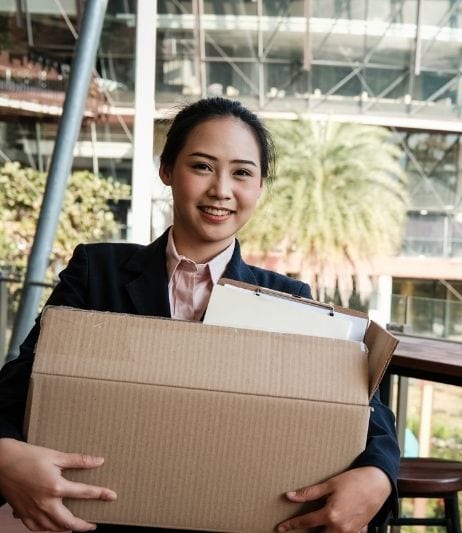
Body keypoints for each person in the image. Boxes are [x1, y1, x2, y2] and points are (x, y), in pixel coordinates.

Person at [0, 97, 400, 532]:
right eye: (202, 166)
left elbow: (367, 413)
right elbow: (19, 385)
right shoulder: (97, 273)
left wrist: (378, 477)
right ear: (167, 171)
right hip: (109, 518)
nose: (221, 190)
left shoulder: (289, 300)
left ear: (260, 187)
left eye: (242, 173)